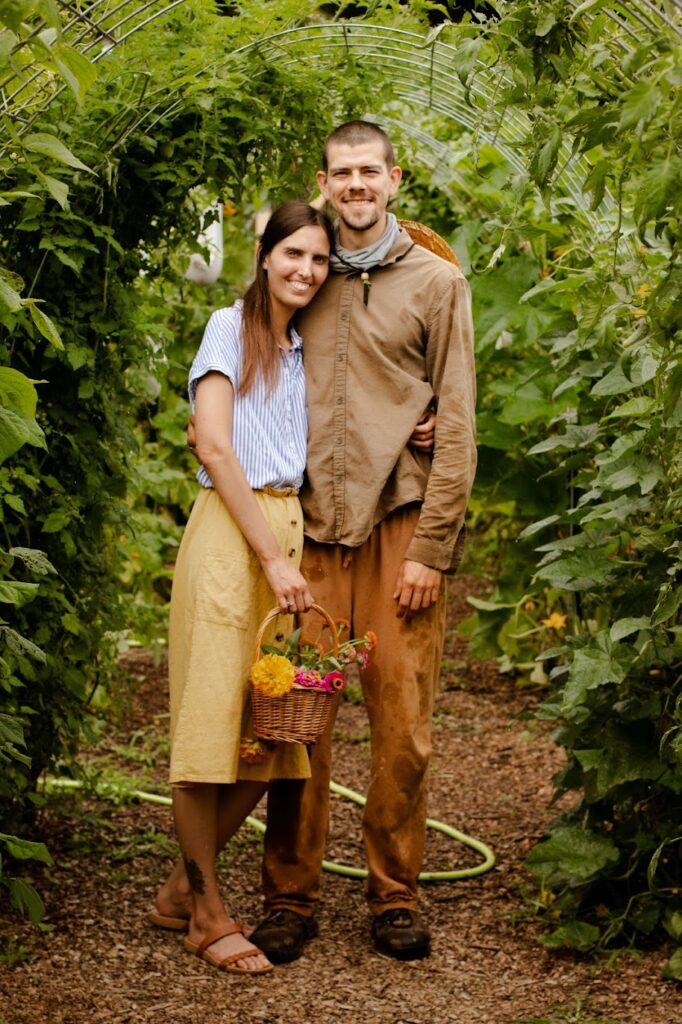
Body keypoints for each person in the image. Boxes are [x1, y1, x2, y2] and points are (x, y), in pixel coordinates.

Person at [250, 121, 477, 963]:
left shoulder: (436, 283)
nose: (355, 185)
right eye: (341, 173)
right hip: (309, 527)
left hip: (397, 526)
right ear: (323, 180)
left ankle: (394, 895)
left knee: (402, 720)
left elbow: (455, 421)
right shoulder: (301, 274)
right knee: (298, 715)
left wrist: (432, 549)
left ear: (394, 179)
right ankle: (290, 895)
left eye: (368, 172)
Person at [148, 200, 335, 975]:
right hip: (235, 539)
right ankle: (207, 913)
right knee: (206, 737)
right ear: (264, 255)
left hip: (281, 533)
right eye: (293, 254)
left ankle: (174, 894)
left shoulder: (297, 346)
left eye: (319, 261)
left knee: (270, 739)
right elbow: (217, 447)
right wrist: (270, 559)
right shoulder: (230, 328)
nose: (305, 270)